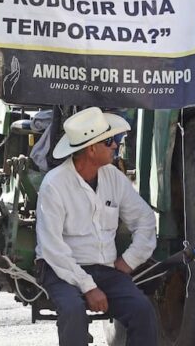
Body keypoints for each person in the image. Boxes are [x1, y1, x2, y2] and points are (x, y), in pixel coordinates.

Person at [35, 107, 158, 346]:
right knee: (73, 312)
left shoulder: (113, 177)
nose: (115, 146)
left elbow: (145, 219)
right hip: (60, 270)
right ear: (91, 149)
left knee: (143, 310)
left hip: (105, 269)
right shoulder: (54, 185)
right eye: (110, 141)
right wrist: (89, 287)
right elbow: (53, 250)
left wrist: (129, 261)